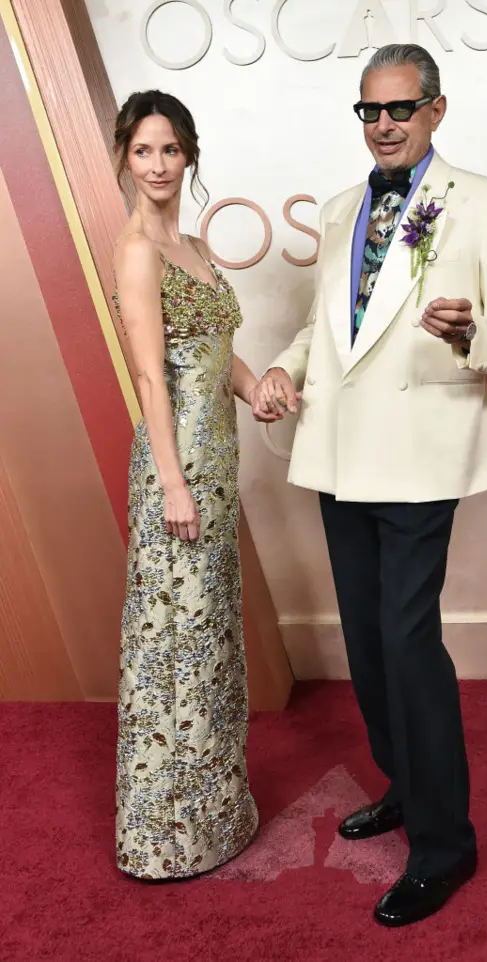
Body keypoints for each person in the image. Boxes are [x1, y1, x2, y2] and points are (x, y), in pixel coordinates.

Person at [252, 45, 487, 926]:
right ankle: (407, 787)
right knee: (369, 648)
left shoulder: (484, 202)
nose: (383, 125)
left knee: (410, 645)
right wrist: (279, 369)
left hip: (419, 458)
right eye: (369, 111)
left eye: (400, 110)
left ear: (437, 111)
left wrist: (471, 332)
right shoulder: (341, 210)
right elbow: (323, 327)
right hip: (340, 454)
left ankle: (446, 845)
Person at [112, 90, 259, 880]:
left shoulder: (195, 246)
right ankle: (164, 842)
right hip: (179, 473)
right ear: (125, 160)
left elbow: (212, 351)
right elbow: (149, 374)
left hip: (219, 469)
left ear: (189, 154)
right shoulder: (137, 250)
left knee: (207, 645)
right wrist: (172, 483)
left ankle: (217, 820)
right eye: (143, 151)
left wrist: (257, 388)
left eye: (170, 150)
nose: (159, 165)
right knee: (174, 644)